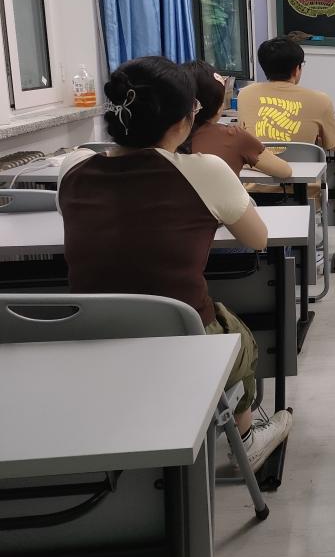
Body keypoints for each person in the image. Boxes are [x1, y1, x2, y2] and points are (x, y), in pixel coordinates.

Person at [57, 56, 292, 470]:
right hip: (181, 335)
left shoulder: (72, 168)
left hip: (89, 334)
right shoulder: (204, 171)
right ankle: (245, 439)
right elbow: (258, 239)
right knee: (240, 338)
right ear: (185, 120)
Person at [183, 60, 293, 179]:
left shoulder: (171, 137)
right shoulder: (234, 136)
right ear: (220, 106)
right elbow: (284, 171)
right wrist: (245, 161)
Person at [238, 36, 335, 151]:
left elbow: (243, 136)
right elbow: (333, 146)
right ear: (296, 69)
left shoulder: (245, 94)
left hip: (256, 162)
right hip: (302, 163)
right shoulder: (321, 100)